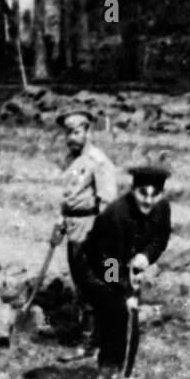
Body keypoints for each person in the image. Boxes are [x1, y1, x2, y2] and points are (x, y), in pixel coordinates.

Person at [79, 165, 171, 379]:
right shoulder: (116, 215)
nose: (148, 201)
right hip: (96, 266)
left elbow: (161, 238)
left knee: (131, 324)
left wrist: (145, 256)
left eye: (154, 195)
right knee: (115, 314)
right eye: (143, 193)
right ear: (133, 190)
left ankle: (122, 374)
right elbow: (108, 261)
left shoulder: (162, 208)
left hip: (124, 264)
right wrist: (123, 292)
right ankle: (109, 372)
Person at [49, 109, 117, 355]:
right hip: (73, 227)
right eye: (68, 133)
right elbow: (68, 198)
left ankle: (94, 340)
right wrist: (60, 221)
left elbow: (107, 203)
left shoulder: (98, 162)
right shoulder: (71, 160)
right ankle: (91, 335)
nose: (71, 138)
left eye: (77, 132)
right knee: (81, 283)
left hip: (91, 229)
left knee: (93, 284)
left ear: (88, 132)